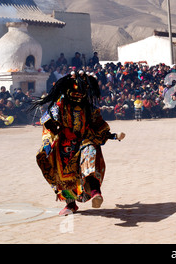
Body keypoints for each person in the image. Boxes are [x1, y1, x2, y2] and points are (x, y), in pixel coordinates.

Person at [29, 70, 125, 216]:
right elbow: (48, 119)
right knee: (62, 176)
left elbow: (97, 123)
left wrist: (111, 135)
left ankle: (95, 193)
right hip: (64, 144)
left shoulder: (89, 107)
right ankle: (71, 204)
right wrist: (54, 131)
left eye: (82, 91)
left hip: (85, 139)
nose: (79, 95)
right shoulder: (60, 104)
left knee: (89, 164)